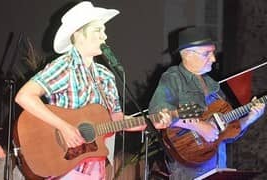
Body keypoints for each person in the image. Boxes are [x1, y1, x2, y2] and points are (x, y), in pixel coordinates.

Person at [15, 1, 169, 179]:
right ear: (79, 34)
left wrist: (151, 122)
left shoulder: (105, 76)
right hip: (65, 163)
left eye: (104, 31)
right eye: (98, 31)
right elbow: (24, 96)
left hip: (94, 164)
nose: (104, 37)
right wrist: (64, 127)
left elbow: (117, 120)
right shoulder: (64, 66)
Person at [148, 26, 266, 179]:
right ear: (188, 55)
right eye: (207, 54)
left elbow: (225, 132)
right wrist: (197, 125)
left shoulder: (212, 85)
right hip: (189, 170)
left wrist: (250, 118)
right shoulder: (173, 78)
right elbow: (157, 116)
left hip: (217, 168)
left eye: (213, 52)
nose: (214, 59)